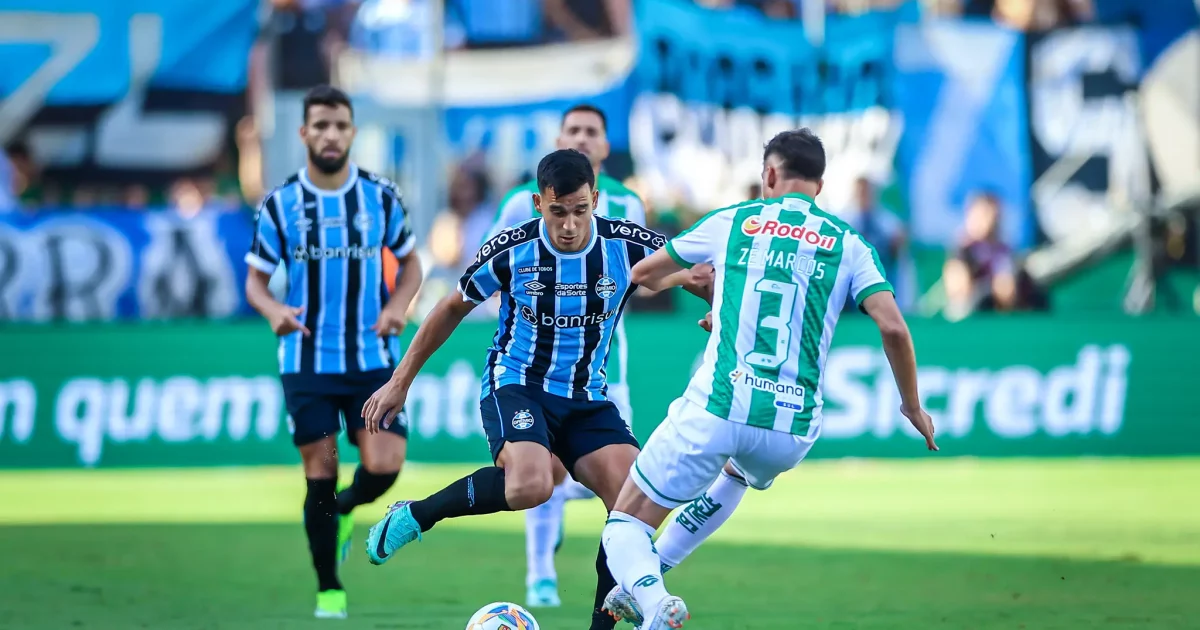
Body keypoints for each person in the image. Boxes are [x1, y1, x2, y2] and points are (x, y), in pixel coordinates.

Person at [596, 129, 940, 629]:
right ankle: (654, 579)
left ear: (770, 175)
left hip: (720, 404)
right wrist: (911, 405)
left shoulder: (735, 221)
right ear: (819, 186)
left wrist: (703, 288)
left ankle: (652, 599)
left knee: (623, 524)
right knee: (736, 474)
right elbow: (893, 326)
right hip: (791, 428)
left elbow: (642, 275)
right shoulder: (850, 245)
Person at [360, 148, 712, 630]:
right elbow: (448, 309)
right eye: (558, 211)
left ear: (596, 199)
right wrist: (399, 383)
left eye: (581, 210)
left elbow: (697, 276)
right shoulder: (512, 249)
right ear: (537, 204)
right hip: (518, 383)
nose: (569, 225)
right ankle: (420, 514)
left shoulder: (628, 245)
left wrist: (720, 309)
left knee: (634, 507)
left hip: (587, 396)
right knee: (532, 484)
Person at [243, 84, 423, 620]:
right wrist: (274, 312)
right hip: (308, 362)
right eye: (319, 125)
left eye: (339, 125)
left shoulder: (380, 196)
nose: (330, 134)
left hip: (372, 356)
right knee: (320, 470)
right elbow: (254, 281)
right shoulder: (281, 204)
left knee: (385, 464)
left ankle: (345, 510)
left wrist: (398, 305)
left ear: (352, 132)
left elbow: (412, 264)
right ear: (304, 133)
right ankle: (329, 587)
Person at [488, 103, 649, 608]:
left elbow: (645, 277)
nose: (581, 138)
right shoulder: (521, 204)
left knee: (621, 488)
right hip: (535, 367)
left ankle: (616, 592)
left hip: (603, 370)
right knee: (543, 472)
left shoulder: (628, 205)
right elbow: (492, 266)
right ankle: (540, 572)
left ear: (604, 145)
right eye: (572, 130)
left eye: (591, 132)